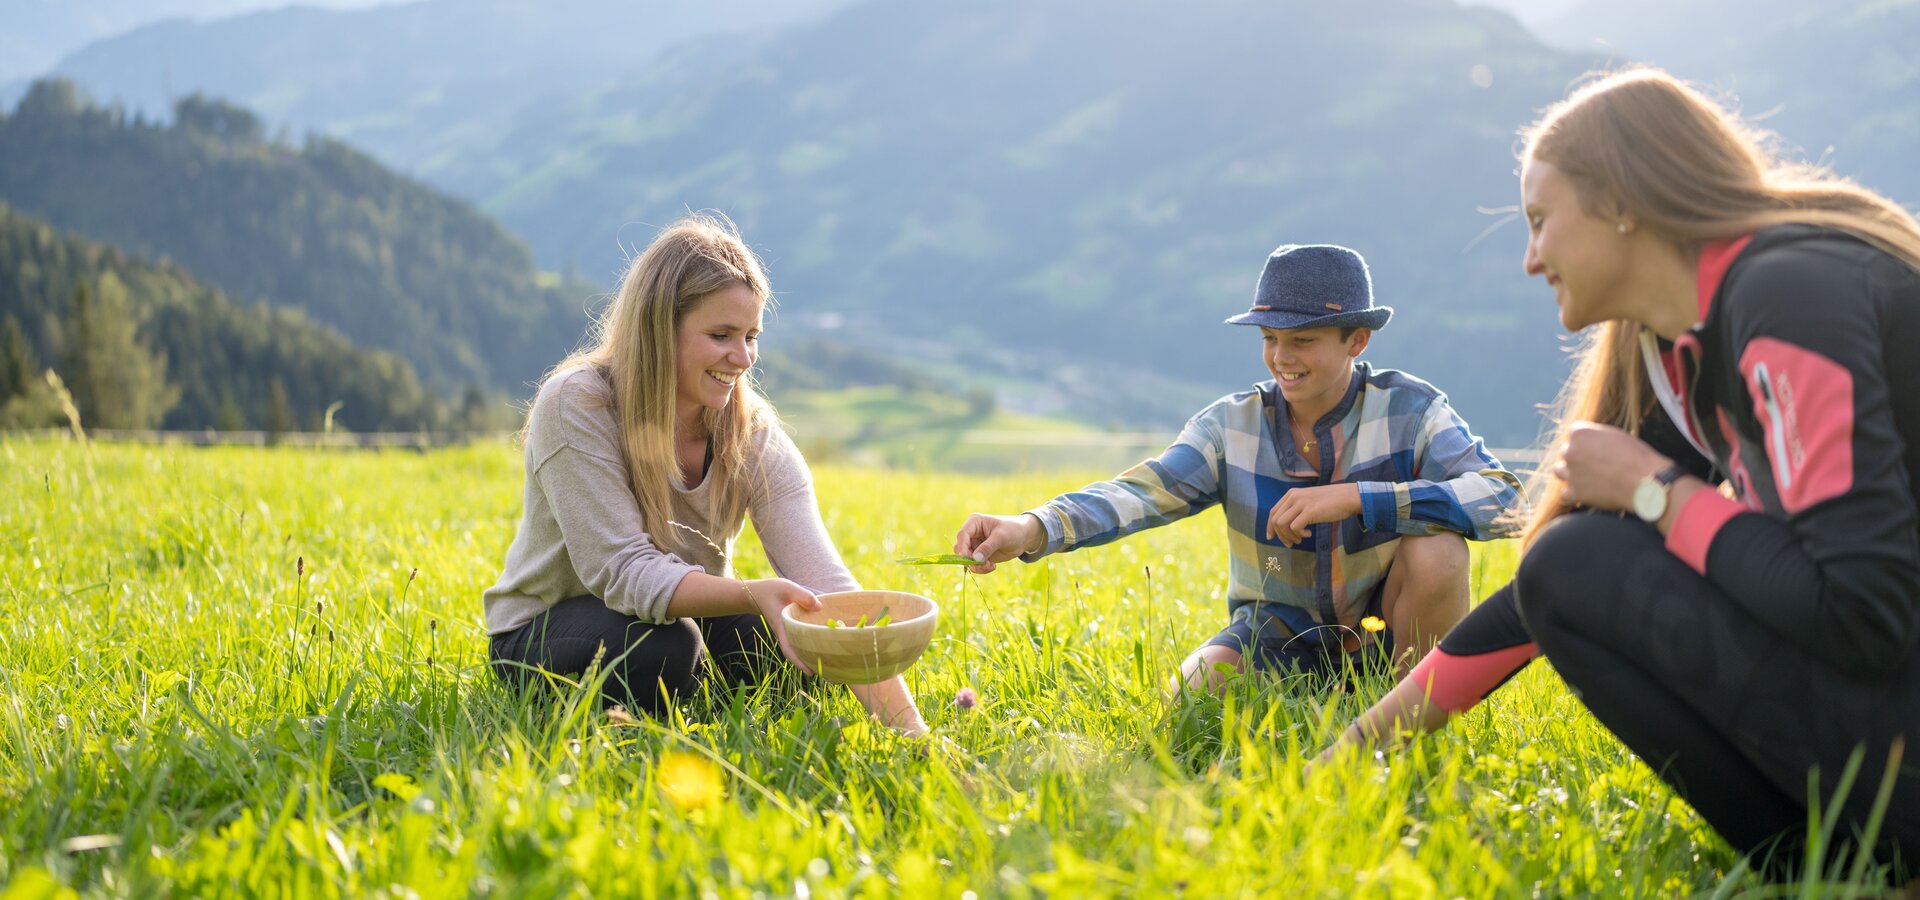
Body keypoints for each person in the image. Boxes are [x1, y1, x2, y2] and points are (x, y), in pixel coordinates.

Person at [1324, 67, 1920, 880]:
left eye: (1540, 221)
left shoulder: (1791, 296)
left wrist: (1657, 493)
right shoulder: (1680, 349)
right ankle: (1833, 868)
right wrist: (1350, 752)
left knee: (1575, 560)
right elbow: (1554, 593)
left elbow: (1860, 609)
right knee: (1568, 565)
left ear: (1621, 203)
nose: (1532, 259)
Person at [953, 243, 1523, 690]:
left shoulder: (1413, 409)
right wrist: (1030, 528)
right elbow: (1140, 493)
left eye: (1303, 339)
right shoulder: (1229, 427)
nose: (1281, 357)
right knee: (1190, 699)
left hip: (1384, 630)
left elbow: (1505, 500)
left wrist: (1358, 497)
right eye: (1271, 338)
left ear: (1358, 340)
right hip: (1274, 634)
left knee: (1439, 551)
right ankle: (1322, 703)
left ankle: (1407, 721)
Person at [483, 214, 927, 736]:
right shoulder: (579, 402)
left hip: (678, 618)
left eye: (752, 336)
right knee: (665, 649)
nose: (742, 358)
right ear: (657, 328)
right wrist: (749, 592)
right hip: (545, 630)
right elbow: (623, 572)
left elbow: (825, 588)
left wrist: (913, 735)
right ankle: (637, 713)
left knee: (799, 637)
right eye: (721, 335)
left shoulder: (750, 428)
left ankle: (697, 706)